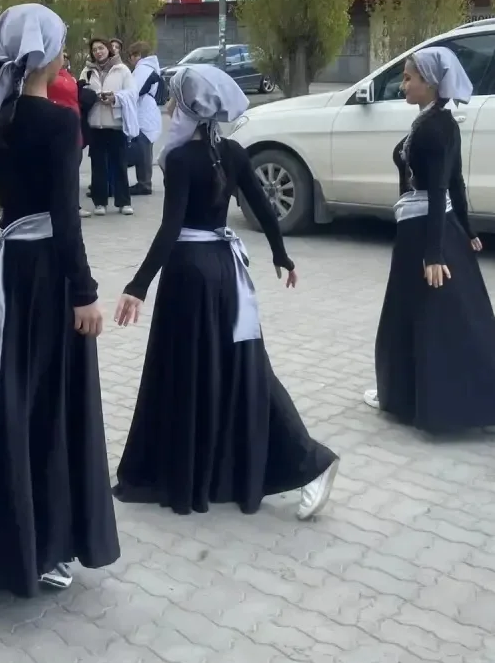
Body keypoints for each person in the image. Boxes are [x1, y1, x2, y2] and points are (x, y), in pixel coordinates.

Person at [0, 3, 120, 597]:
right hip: (47, 280)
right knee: (48, 405)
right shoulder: (58, 122)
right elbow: (65, 216)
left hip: (3, 276)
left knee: (0, 398)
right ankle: (47, 545)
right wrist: (85, 292)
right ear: (50, 57)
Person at [112, 65, 339, 518]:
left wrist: (138, 286)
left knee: (192, 371)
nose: (169, 106)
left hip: (189, 276)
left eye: (173, 99)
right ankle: (226, 466)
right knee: (241, 369)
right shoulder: (232, 152)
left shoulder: (180, 159)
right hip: (226, 272)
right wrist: (281, 255)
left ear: (187, 107)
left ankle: (310, 461)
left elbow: (171, 228)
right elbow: (264, 206)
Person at [365, 47, 495, 433]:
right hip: (426, 229)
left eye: (408, 78)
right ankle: (404, 393)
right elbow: (456, 181)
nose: (403, 85)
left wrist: (433, 253)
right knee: (425, 315)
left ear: (429, 83)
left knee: (425, 317)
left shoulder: (435, 128)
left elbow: (441, 187)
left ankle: (416, 397)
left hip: (423, 233)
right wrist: (468, 229)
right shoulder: (435, 122)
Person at [79, 38, 135, 215]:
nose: (98, 52)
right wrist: (93, 97)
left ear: (108, 49)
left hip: (116, 124)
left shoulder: (122, 69)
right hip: (95, 124)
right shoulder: (87, 71)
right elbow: (80, 92)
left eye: (101, 48)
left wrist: (115, 98)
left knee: (119, 164)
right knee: (98, 166)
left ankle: (123, 202)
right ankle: (100, 203)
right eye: (95, 49)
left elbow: (132, 93)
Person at [123, 41, 163, 196]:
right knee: (144, 148)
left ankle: (144, 183)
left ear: (137, 55)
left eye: (131, 56)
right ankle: (144, 182)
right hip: (148, 110)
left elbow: (134, 91)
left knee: (142, 148)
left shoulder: (143, 69)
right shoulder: (150, 67)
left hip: (144, 112)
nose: (130, 60)